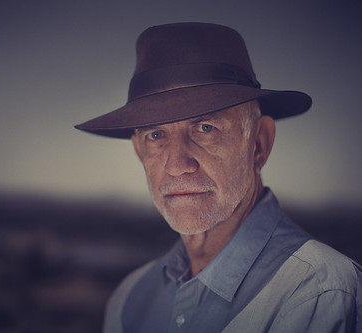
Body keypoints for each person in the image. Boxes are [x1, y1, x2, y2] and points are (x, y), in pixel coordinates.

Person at [75, 22, 362, 333]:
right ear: (140, 152)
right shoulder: (128, 299)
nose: (177, 164)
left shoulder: (317, 293)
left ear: (259, 143)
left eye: (205, 128)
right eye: (156, 135)